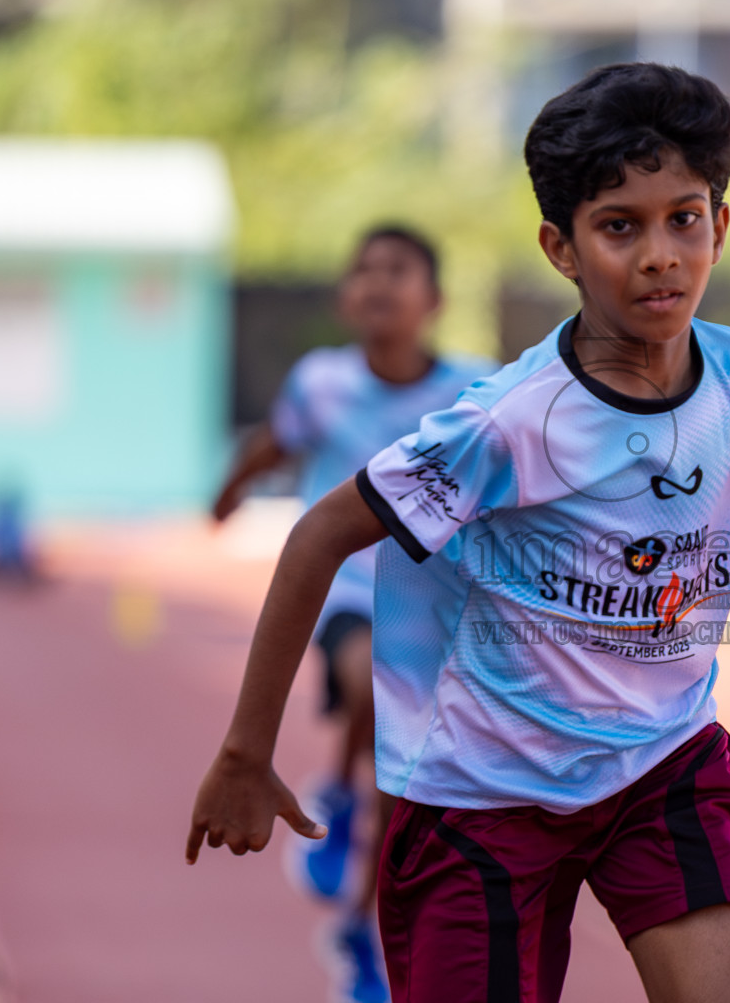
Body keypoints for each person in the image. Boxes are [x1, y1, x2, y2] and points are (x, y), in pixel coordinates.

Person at [187, 62, 730, 1003]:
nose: (659, 256)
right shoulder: (510, 422)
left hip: (658, 762)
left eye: (684, 218)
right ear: (562, 248)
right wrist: (246, 749)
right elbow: (319, 533)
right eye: (619, 227)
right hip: (482, 793)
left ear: (719, 225)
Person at [209, 225, 493, 1003]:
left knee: (407, 792)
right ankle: (337, 788)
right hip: (343, 591)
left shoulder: (474, 390)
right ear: (345, 296)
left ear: (432, 301)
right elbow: (277, 443)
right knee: (368, 688)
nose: (377, 283)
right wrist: (230, 491)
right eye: (363, 270)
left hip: (436, 601)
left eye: (397, 271)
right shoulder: (321, 381)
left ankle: (363, 931)